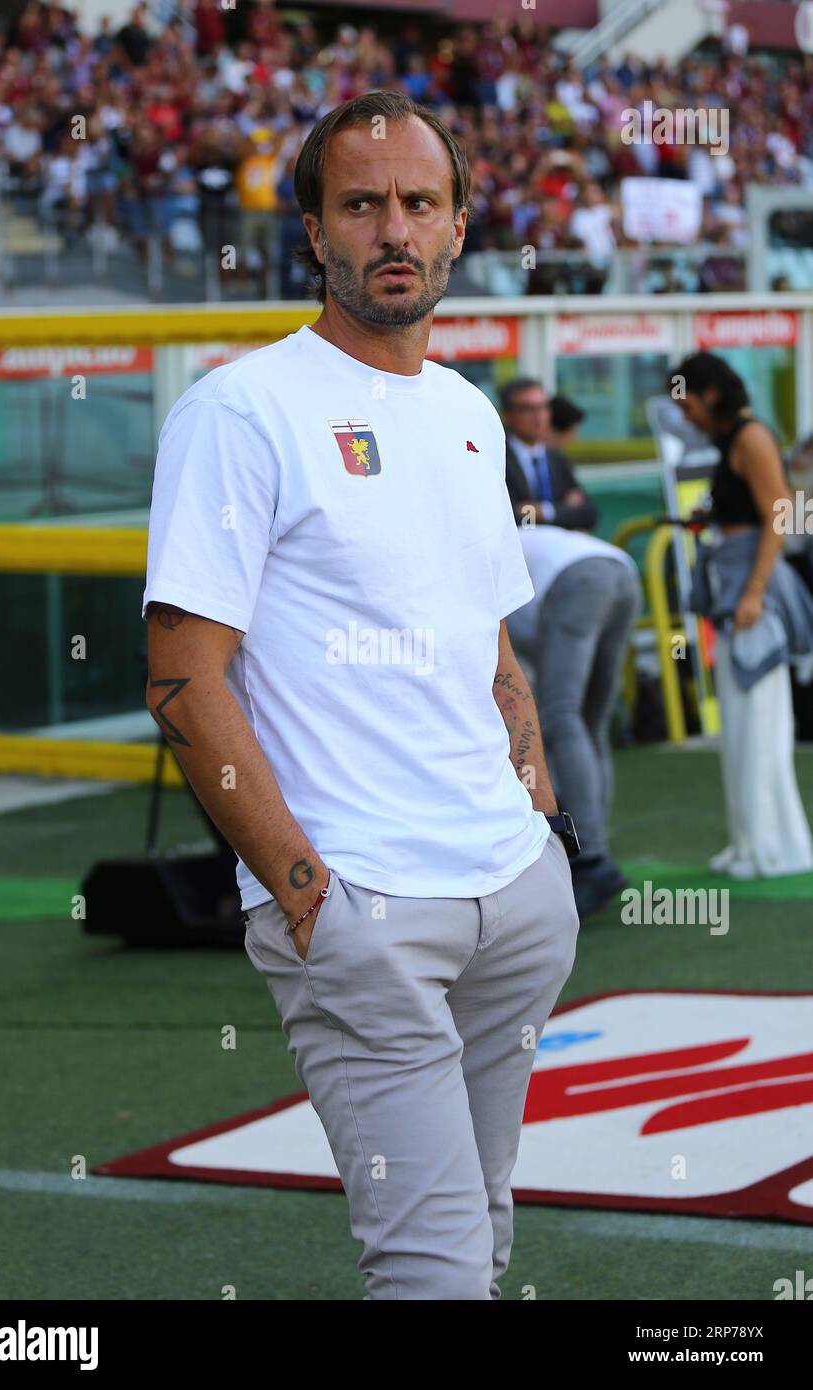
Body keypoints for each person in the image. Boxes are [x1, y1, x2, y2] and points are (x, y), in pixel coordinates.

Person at [143, 89, 579, 1301]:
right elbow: (184, 680)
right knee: (431, 1269)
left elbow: (486, 641)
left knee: (479, 1238)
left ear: (455, 226)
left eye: (417, 202)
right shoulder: (239, 409)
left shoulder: (467, 411)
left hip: (512, 897)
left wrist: (535, 814)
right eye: (361, 203)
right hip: (361, 910)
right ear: (313, 230)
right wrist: (302, 894)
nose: (392, 228)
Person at [670, 352, 813, 879]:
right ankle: (751, 839)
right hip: (734, 587)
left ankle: (770, 846)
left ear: (711, 394)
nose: (686, 418)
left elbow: (779, 513)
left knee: (759, 721)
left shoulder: (751, 437)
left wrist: (754, 591)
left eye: (687, 405)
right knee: (740, 721)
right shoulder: (731, 440)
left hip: (754, 593)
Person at [516, 523, 642, 917]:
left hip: (576, 580)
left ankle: (591, 858)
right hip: (619, 569)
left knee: (561, 719)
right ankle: (595, 846)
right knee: (589, 723)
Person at [501, 377, 598, 532]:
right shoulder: (498, 459)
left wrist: (545, 511)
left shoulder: (557, 459)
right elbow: (511, 520)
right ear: (508, 415)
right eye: (527, 409)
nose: (538, 417)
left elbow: (588, 515)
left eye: (543, 407)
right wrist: (562, 512)